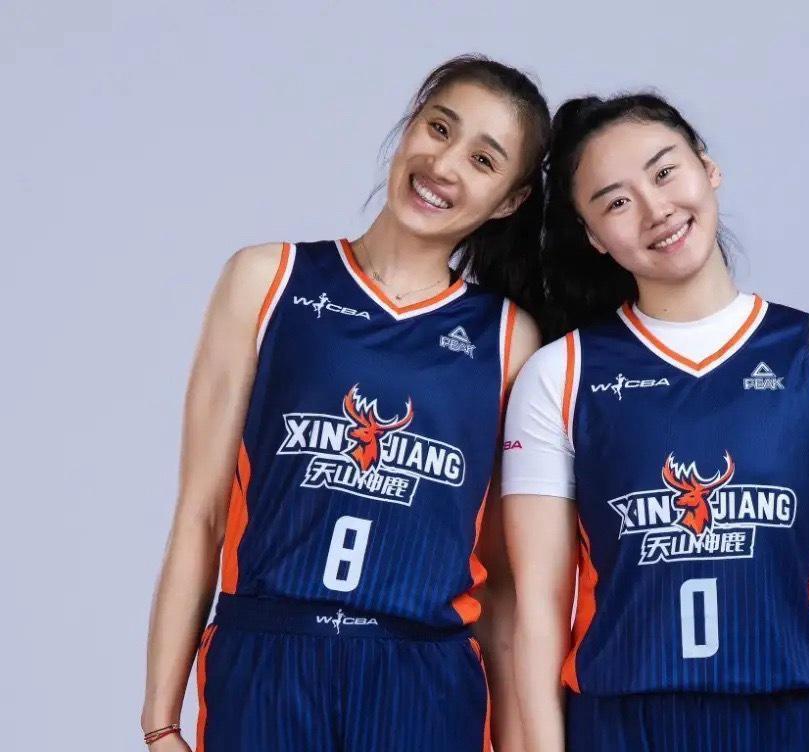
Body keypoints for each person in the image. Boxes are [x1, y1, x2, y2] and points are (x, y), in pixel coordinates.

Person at [141, 55, 547, 752]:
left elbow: (504, 583)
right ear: (408, 128)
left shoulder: (509, 339)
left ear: (509, 200)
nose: (444, 164)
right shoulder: (267, 280)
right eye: (438, 128)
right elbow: (201, 513)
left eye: (483, 160)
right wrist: (159, 722)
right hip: (267, 660)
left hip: (423, 679)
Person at [503, 93, 809, 752]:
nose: (655, 209)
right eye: (616, 202)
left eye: (664, 173)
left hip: (788, 719)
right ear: (593, 236)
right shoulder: (559, 375)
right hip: (619, 723)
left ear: (707, 169)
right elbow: (538, 606)